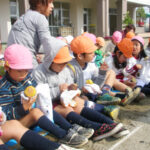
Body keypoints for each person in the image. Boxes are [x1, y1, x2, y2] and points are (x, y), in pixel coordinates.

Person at [0, 44, 91, 149]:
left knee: (44, 107)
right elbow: (6, 115)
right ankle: (63, 135)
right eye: (19, 71)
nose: (24, 74)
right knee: (36, 111)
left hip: (32, 117)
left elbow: (37, 90)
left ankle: (69, 129)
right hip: (17, 123)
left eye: (26, 70)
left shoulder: (27, 78)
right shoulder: (4, 86)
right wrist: (23, 108)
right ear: (7, 68)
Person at [32, 45, 125, 141]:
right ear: (49, 61)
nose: (63, 66)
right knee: (66, 108)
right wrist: (59, 90)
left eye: (65, 63)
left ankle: (110, 123)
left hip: (66, 98)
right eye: (60, 63)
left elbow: (78, 85)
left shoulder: (69, 68)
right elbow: (40, 96)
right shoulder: (39, 72)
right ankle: (96, 127)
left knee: (77, 102)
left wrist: (73, 88)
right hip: (49, 104)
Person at [7, 0, 66, 68]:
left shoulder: (22, 18)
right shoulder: (40, 18)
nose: (52, 6)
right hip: (26, 63)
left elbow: (30, 43)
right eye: (50, 2)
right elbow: (48, 45)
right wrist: (62, 43)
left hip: (11, 64)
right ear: (38, 3)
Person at [105, 38, 141, 105]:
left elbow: (125, 72)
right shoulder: (109, 61)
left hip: (119, 81)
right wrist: (123, 82)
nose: (126, 59)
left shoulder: (123, 61)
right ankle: (125, 96)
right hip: (109, 84)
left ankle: (129, 94)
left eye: (127, 58)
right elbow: (108, 79)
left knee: (132, 84)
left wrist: (130, 77)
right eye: (125, 57)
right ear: (118, 53)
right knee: (112, 89)